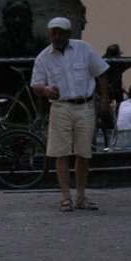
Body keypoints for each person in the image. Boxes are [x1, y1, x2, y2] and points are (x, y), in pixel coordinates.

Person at [31, 16, 111, 212]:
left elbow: (101, 72)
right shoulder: (43, 57)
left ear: (68, 34)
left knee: (84, 152)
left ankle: (81, 195)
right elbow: (35, 84)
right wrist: (46, 90)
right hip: (61, 106)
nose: (56, 37)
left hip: (84, 104)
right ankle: (66, 196)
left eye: (60, 33)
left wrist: (105, 99)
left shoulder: (84, 49)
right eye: (53, 33)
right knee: (61, 152)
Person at [96, 44, 124, 150]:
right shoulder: (117, 65)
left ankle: (106, 144)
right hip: (106, 97)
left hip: (103, 96)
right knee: (107, 122)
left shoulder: (102, 62)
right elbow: (117, 85)